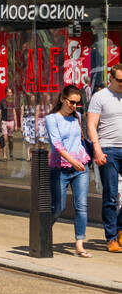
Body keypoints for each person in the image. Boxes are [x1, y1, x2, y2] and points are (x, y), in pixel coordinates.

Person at [47, 84, 91, 258]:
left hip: (81, 166)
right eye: (72, 102)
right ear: (62, 99)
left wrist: (80, 161)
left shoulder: (78, 117)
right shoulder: (52, 119)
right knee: (58, 207)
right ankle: (43, 232)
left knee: (81, 206)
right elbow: (57, 145)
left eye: (78, 103)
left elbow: (80, 140)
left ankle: (79, 244)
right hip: (60, 168)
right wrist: (72, 161)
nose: (74, 106)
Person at [86, 64, 122, 252]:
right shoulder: (100, 97)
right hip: (108, 148)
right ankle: (111, 237)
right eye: (120, 81)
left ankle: (120, 228)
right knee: (110, 195)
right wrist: (97, 149)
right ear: (111, 78)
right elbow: (92, 124)